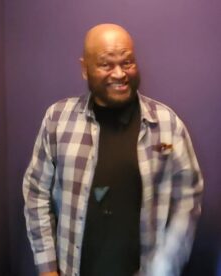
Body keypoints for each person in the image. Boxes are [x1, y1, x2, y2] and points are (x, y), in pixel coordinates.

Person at [22, 23, 203, 276]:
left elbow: (188, 196)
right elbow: (36, 193)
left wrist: (164, 266)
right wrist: (47, 268)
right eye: (106, 64)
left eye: (127, 62)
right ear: (85, 69)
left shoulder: (167, 124)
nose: (119, 74)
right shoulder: (57, 120)